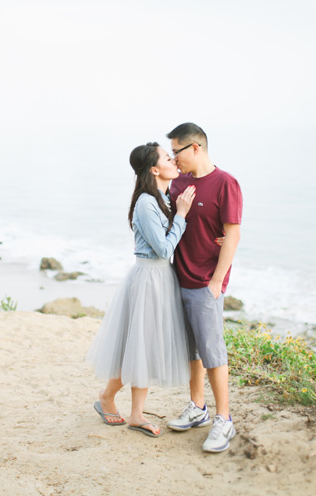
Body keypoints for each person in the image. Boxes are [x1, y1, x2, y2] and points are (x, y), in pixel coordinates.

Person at [87, 142, 197, 437]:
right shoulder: (147, 202)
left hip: (161, 279)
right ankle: (108, 397)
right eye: (166, 157)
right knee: (139, 346)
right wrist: (183, 216)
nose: (173, 160)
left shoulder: (164, 197)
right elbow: (162, 248)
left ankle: (135, 413)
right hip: (149, 278)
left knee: (143, 347)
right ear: (154, 169)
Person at [166, 122, 242, 453]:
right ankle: (198, 408)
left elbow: (233, 234)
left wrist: (216, 282)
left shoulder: (225, 183)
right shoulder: (178, 183)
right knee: (192, 352)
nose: (174, 159)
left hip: (205, 284)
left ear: (195, 148)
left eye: (177, 152)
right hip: (178, 279)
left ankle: (224, 420)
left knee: (213, 353)